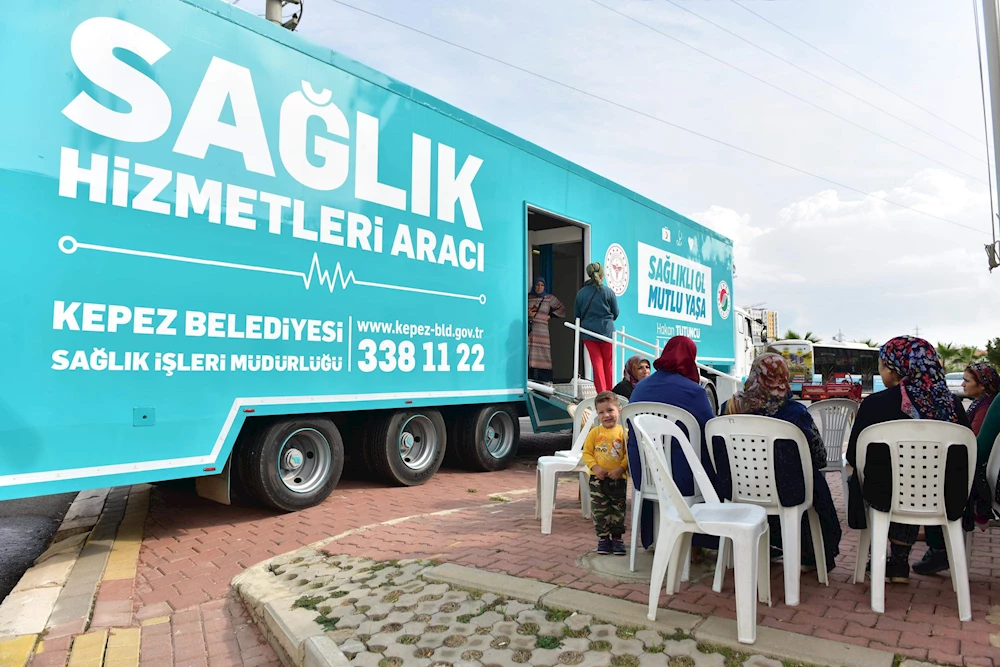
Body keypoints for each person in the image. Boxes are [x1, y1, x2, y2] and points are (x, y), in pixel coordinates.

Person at [845, 336, 969, 581]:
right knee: (914, 480)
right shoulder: (952, 405)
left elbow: (854, 456)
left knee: (881, 479)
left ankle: (883, 559)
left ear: (894, 370)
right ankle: (899, 560)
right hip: (944, 496)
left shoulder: (875, 404)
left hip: (884, 496)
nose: (881, 373)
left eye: (881, 367)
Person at [720, 353, 842, 572]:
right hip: (786, 494)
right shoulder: (795, 413)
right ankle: (811, 550)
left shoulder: (728, 408)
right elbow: (820, 457)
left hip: (737, 490)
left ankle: (767, 542)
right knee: (810, 479)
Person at [626, 336, 716, 551]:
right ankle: (700, 543)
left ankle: (654, 538)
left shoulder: (640, 387)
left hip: (645, 474)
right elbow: (709, 429)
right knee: (715, 464)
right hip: (682, 479)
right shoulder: (694, 391)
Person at [581, 391, 629, 556]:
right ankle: (603, 539)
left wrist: (621, 468)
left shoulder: (624, 433)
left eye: (610, 410)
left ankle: (617, 538)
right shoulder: (595, 433)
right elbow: (587, 453)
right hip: (598, 480)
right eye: (601, 412)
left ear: (619, 410)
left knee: (618, 510)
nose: (606, 415)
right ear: (597, 414)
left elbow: (628, 454)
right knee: (600, 510)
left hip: (618, 479)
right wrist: (595, 467)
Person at [574, 262, 619, 393]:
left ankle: (601, 393)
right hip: (607, 331)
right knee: (608, 364)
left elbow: (577, 315)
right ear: (602, 275)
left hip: (588, 332)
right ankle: (610, 393)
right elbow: (615, 312)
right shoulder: (608, 292)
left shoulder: (581, 293)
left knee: (596, 363)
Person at [527, 277, 565, 384]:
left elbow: (561, 308)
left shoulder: (548, 298)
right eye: (537, 285)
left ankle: (545, 381)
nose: (539, 287)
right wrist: (528, 314)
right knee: (529, 355)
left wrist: (550, 316)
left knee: (543, 356)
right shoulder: (528, 298)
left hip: (542, 332)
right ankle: (530, 380)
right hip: (530, 331)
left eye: (542, 285)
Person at [964, 362, 999, 435]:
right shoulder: (980, 401)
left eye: (967, 381)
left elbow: (973, 436)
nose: (963, 384)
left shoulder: (986, 407)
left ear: (982, 385)